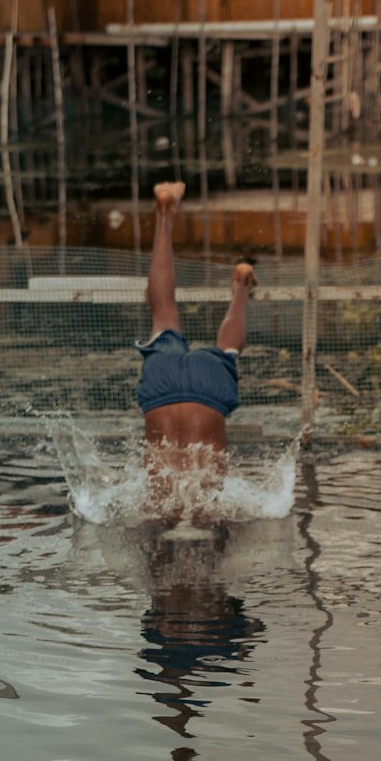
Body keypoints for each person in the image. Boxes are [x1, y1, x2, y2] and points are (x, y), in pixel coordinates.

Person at [136, 181, 256, 517]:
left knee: (223, 346)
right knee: (164, 315)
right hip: (176, 387)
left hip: (194, 389)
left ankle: (240, 284)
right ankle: (241, 285)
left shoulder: (163, 504)